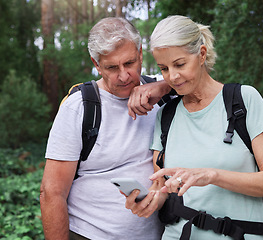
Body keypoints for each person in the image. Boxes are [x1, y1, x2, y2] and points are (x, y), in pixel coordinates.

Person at [125, 15, 263, 240]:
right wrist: (150, 200)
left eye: (180, 64)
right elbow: (162, 186)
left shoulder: (243, 100)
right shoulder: (166, 115)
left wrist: (212, 175)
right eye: (164, 68)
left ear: (201, 54)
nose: (172, 76)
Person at [40, 17, 171, 240]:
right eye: (111, 67)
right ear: (96, 64)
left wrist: (164, 86)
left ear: (140, 54)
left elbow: (204, 83)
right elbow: (52, 193)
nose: (123, 75)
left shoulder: (165, 92)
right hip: (88, 234)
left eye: (129, 63)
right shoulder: (79, 107)